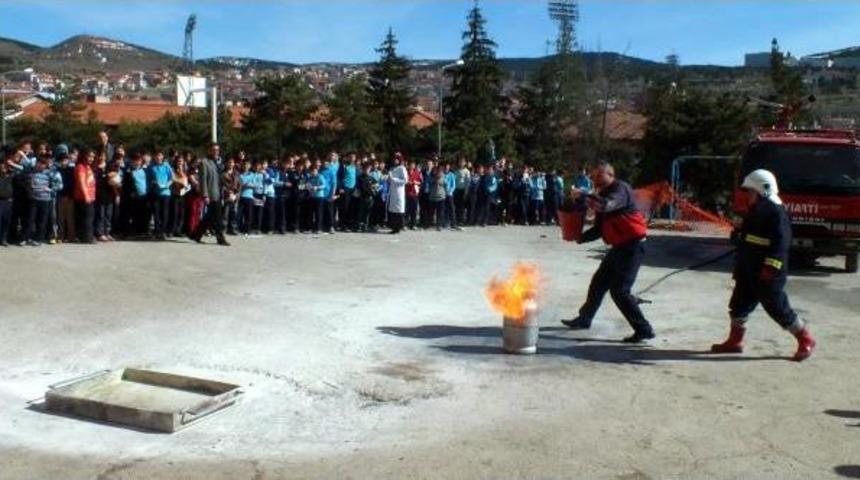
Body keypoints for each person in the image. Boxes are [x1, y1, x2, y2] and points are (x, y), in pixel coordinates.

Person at [711, 169, 816, 362]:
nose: (748, 196)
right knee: (739, 304)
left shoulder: (775, 212)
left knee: (777, 307)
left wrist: (771, 267)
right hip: (748, 268)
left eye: (750, 192)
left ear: (763, 191)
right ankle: (735, 342)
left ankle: (805, 338)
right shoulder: (757, 209)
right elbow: (750, 236)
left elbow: (781, 244)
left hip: (768, 272)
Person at [561, 162, 655, 343]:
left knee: (620, 291)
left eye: (598, 176)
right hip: (619, 247)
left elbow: (605, 206)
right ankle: (584, 319)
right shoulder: (602, 194)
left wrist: (583, 196)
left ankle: (644, 329)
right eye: (593, 176)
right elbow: (599, 228)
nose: (594, 180)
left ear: (610, 175)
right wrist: (580, 237)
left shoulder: (620, 189)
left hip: (632, 247)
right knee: (598, 283)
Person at [190, 144, 229, 246]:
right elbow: (203, 180)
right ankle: (220, 238)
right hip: (211, 193)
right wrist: (205, 195)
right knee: (217, 217)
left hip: (219, 192)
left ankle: (196, 234)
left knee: (210, 217)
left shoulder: (219, 163)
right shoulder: (204, 162)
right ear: (209, 151)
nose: (216, 152)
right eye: (214, 150)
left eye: (217, 150)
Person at [148, 150, 173, 240]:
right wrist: (154, 182)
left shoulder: (167, 166)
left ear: (163, 157)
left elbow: (171, 178)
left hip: (165, 193)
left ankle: (163, 231)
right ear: (154, 157)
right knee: (156, 213)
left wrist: (167, 185)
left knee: (164, 213)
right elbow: (149, 179)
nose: (158, 157)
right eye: (157, 156)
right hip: (155, 192)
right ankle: (157, 231)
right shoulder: (151, 167)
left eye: (160, 156)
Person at [73, 149, 97, 244]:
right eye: (89, 156)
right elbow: (81, 182)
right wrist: (86, 195)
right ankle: (87, 237)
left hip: (90, 196)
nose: (91, 158)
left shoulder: (88, 167)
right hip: (83, 197)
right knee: (87, 218)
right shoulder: (80, 167)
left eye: (93, 157)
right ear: (84, 156)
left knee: (86, 218)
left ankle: (83, 236)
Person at [55, 146, 76, 243]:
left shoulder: (72, 170)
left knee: (70, 218)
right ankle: (60, 236)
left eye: (65, 160)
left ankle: (71, 236)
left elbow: (73, 184)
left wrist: (70, 195)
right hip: (60, 196)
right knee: (60, 218)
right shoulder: (56, 170)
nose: (64, 161)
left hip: (70, 197)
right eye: (62, 160)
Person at [387, 153, 408, 234]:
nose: (395, 160)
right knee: (392, 210)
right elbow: (390, 180)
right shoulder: (392, 168)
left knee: (399, 210)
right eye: (394, 159)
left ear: (399, 160)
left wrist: (394, 179)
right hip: (392, 191)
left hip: (399, 191)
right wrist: (388, 178)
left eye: (396, 159)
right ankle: (394, 227)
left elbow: (405, 180)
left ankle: (399, 227)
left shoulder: (402, 168)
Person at [169, 155, 190, 237]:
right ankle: (172, 230)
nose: (180, 163)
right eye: (178, 161)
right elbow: (172, 179)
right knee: (174, 213)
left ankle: (178, 230)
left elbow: (186, 180)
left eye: (181, 161)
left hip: (183, 193)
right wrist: (180, 182)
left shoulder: (185, 170)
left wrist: (187, 186)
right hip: (175, 193)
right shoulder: (173, 170)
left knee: (181, 213)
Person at [221, 156, 241, 236]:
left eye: (232, 162)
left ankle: (232, 229)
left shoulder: (236, 173)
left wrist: (236, 194)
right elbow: (222, 185)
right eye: (229, 162)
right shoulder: (222, 174)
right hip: (226, 196)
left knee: (234, 213)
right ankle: (223, 229)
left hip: (235, 196)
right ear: (226, 163)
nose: (230, 164)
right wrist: (228, 193)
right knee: (225, 214)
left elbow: (240, 184)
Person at [338, 154, 357, 231]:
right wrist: (341, 187)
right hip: (345, 188)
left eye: (354, 157)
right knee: (344, 207)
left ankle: (349, 224)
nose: (352, 158)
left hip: (353, 189)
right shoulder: (344, 166)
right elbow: (339, 177)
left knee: (351, 208)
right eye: (351, 157)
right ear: (348, 158)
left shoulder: (355, 166)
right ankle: (343, 224)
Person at [307, 164, 327, 235]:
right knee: (311, 213)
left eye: (315, 171)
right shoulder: (310, 177)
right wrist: (309, 187)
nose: (313, 172)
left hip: (319, 197)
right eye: (312, 171)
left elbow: (324, 185)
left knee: (319, 213)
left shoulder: (320, 176)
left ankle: (319, 228)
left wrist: (317, 187)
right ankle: (310, 228)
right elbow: (308, 185)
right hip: (312, 197)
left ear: (317, 170)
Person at [429, 166, 447, 231]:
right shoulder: (431, 177)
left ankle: (439, 225)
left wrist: (440, 181)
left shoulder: (444, 177)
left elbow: (446, 184)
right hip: (432, 197)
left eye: (439, 171)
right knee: (431, 212)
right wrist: (434, 180)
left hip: (441, 197)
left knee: (440, 212)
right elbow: (429, 183)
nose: (437, 172)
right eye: (435, 171)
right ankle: (431, 223)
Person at [453, 158, 471, 225]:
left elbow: (468, 182)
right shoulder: (456, 171)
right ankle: (456, 219)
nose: (461, 163)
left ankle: (461, 220)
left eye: (462, 162)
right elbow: (454, 180)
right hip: (456, 190)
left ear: (465, 163)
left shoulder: (467, 171)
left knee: (462, 206)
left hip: (463, 190)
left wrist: (466, 191)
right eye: (460, 162)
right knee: (456, 205)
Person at [0, 161, 13, 246]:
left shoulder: (11, 177)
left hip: (8, 201)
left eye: (5, 167)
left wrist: (11, 167)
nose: (4, 169)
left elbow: (20, 169)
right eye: (2, 167)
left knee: (6, 221)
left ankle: (3, 239)